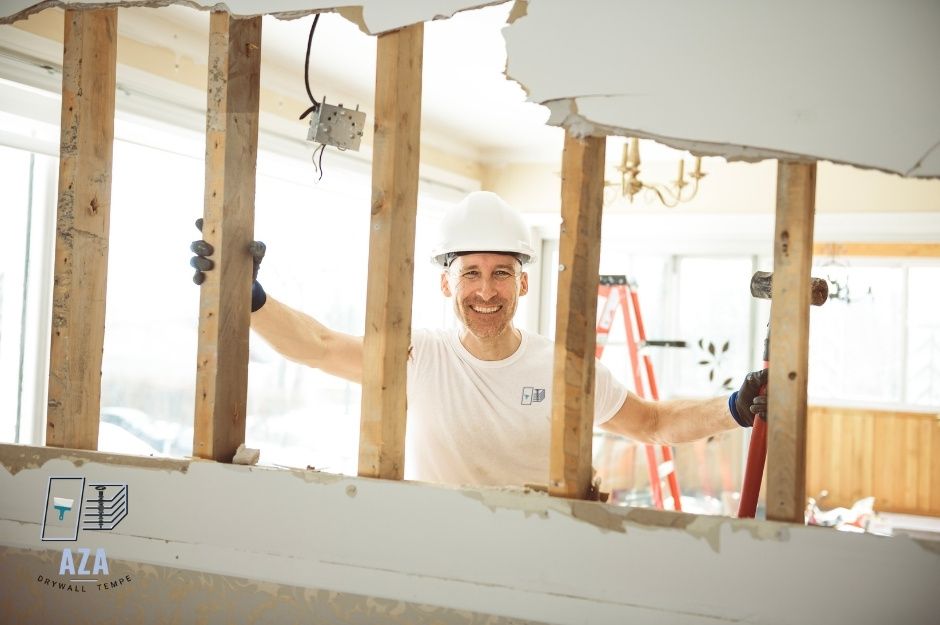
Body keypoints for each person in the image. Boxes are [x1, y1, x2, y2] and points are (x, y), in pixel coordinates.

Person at [190, 191, 766, 486]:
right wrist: (250, 298)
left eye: (499, 274)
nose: (485, 292)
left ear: (522, 281)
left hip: (536, 559)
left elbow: (653, 424)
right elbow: (316, 346)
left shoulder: (561, 368)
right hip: (436, 559)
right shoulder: (418, 355)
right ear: (446, 282)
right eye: (471, 273)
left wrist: (735, 408)